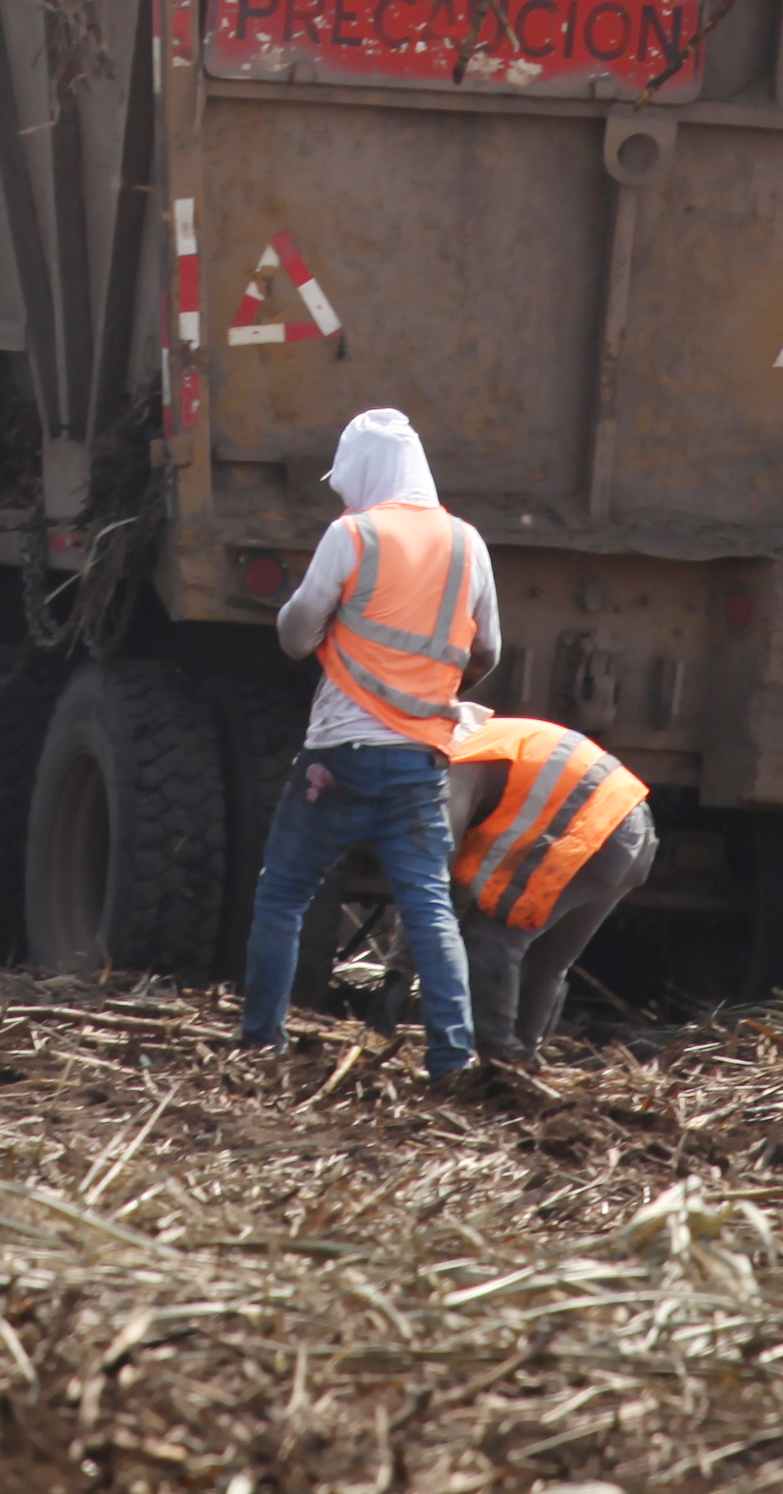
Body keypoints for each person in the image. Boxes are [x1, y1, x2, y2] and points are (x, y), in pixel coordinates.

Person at [236, 403, 502, 1084]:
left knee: (284, 896)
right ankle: (450, 1057)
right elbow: (490, 650)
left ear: (363, 471)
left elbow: (296, 636)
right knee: (428, 906)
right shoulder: (469, 543)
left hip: (339, 759)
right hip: (420, 764)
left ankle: (262, 1039)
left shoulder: (352, 536)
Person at [441, 699, 656, 1073]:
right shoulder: (491, 736)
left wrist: (400, 966)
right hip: (634, 828)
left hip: (589, 828)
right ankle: (522, 1058)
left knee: (491, 935)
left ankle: (498, 1063)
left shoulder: (457, 757)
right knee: (546, 958)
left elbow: (437, 857)